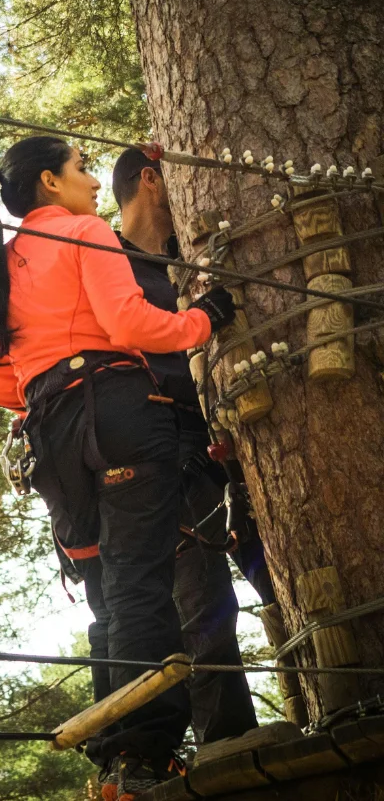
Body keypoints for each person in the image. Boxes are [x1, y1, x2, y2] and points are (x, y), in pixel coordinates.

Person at [0, 136, 237, 800]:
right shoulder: (83, 231)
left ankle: (119, 756)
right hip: (118, 416)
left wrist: (50, 375)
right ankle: (146, 752)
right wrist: (202, 320)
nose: (91, 182)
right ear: (50, 182)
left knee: (105, 595)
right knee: (139, 581)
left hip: (49, 437)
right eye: (81, 168)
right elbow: (130, 322)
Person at [112, 147, 278, 744]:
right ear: (151, 180)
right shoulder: (109, 265)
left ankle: (337, 701)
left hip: (236, 438)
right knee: (204, 608)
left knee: (278, 575)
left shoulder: (192, 256)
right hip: (167, 449)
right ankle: (228, 750)